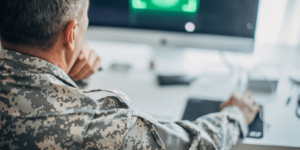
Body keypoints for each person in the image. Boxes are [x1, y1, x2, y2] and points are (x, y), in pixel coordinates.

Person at [0, 0, 260, 149]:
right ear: (72, 33)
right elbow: (194, 145)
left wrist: (66, 61)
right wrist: (236, 115)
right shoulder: (99, 126)